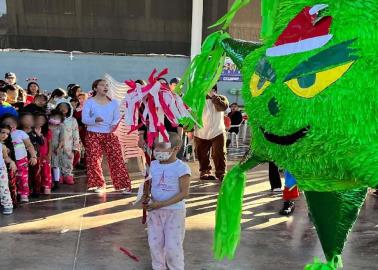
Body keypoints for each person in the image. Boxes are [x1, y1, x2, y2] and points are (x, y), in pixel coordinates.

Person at [147, 133, 191, 270]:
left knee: (173, 246)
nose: (157, 151)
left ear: (175, 149)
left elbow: (184, 193)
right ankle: (158, 267)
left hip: (174, 213)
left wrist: (161, 204)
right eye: (155, 147)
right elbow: (148, 185)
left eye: (162, 147)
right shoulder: (152, 165)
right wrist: (145, 197)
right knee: (155, 243)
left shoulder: (181, 168)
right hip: (155, 212)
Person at [82, 79, 131, 193]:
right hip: (93, 133)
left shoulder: (114, 102)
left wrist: (113, 125)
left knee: (117, 158)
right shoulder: (89, 102)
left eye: (107, 85)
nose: (105, 87)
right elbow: (84, 119)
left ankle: (122, 184)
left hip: (110, 134)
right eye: (102, 85)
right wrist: (94, 120)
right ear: (95, 88)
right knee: (94, 159)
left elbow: (117, 117)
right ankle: (99, 184)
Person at [194, 85, 229, 181]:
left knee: (219, 153)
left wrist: (214, 97)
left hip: (217, 131)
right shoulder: (198, 99)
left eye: (211, 88)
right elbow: (191, 113)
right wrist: (189, 130)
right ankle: (205, 171)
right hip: (201, 131)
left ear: (215, 89)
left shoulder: (221, 98)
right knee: (202, 153)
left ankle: (221, 172)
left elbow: (223, 107)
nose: (208, 90)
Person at [2, 114, 37, 203]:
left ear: (17, 124)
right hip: (9, 160)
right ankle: (13, 194)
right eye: (7, 123)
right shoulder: (4, 135)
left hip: (22, 159)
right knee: (12, 177)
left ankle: (24, 193)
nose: (11, 125)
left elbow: (29, 145)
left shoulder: (20, 133)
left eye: (13, 123)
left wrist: (33, 156)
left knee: (23, 177)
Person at [19, 113, 44, 197]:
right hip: (23, 157)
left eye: (31, 120)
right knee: (26, 175)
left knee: (36, 174)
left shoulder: (35, 131)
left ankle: (36, 190)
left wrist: (39, 134)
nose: (29, 121)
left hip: (35, 156)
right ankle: (27, 190)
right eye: (26, 119)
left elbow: (42, 143)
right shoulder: (19, 132)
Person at [55, 99, 80, 185]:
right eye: (61, 107)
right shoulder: (54, 119)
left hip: (69, 145)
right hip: (56, 145)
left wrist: (76, 146)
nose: (63, 109)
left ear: (69, 108)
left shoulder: (73, 120)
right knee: (57, 160)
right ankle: (59, 176)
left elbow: (76, 133)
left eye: (65, 107)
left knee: (68, 161)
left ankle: (68, 175)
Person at [0, 123, 17, 215]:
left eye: (7, 134)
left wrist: (11, 162)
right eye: (3, 132)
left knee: (4, 188)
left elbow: (5, 157)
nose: (5, 135)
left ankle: (8, 205)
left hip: (1, 170)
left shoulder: (2, 146)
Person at [35, 113, 52, 194]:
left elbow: (50, 143)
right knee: (36, 171)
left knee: (45, 171)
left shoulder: (47, 131)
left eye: (42, 120)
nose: (40, 121)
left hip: (45, 154)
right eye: (38, 119)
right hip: (36, 155)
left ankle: (46, 186)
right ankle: (37, 186)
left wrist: (49, 154)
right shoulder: (32, 130)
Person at [49, 110, 65, 190]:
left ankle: (56, 182)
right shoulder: (46, 126)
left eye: (57, 117)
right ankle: (48, 182)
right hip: (46, 148)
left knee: (55, 166)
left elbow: (62, 139)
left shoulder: (61, 126)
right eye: (53, 117)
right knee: (47, 165)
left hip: (56, 149)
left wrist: (59, 148)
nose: (55, 119)